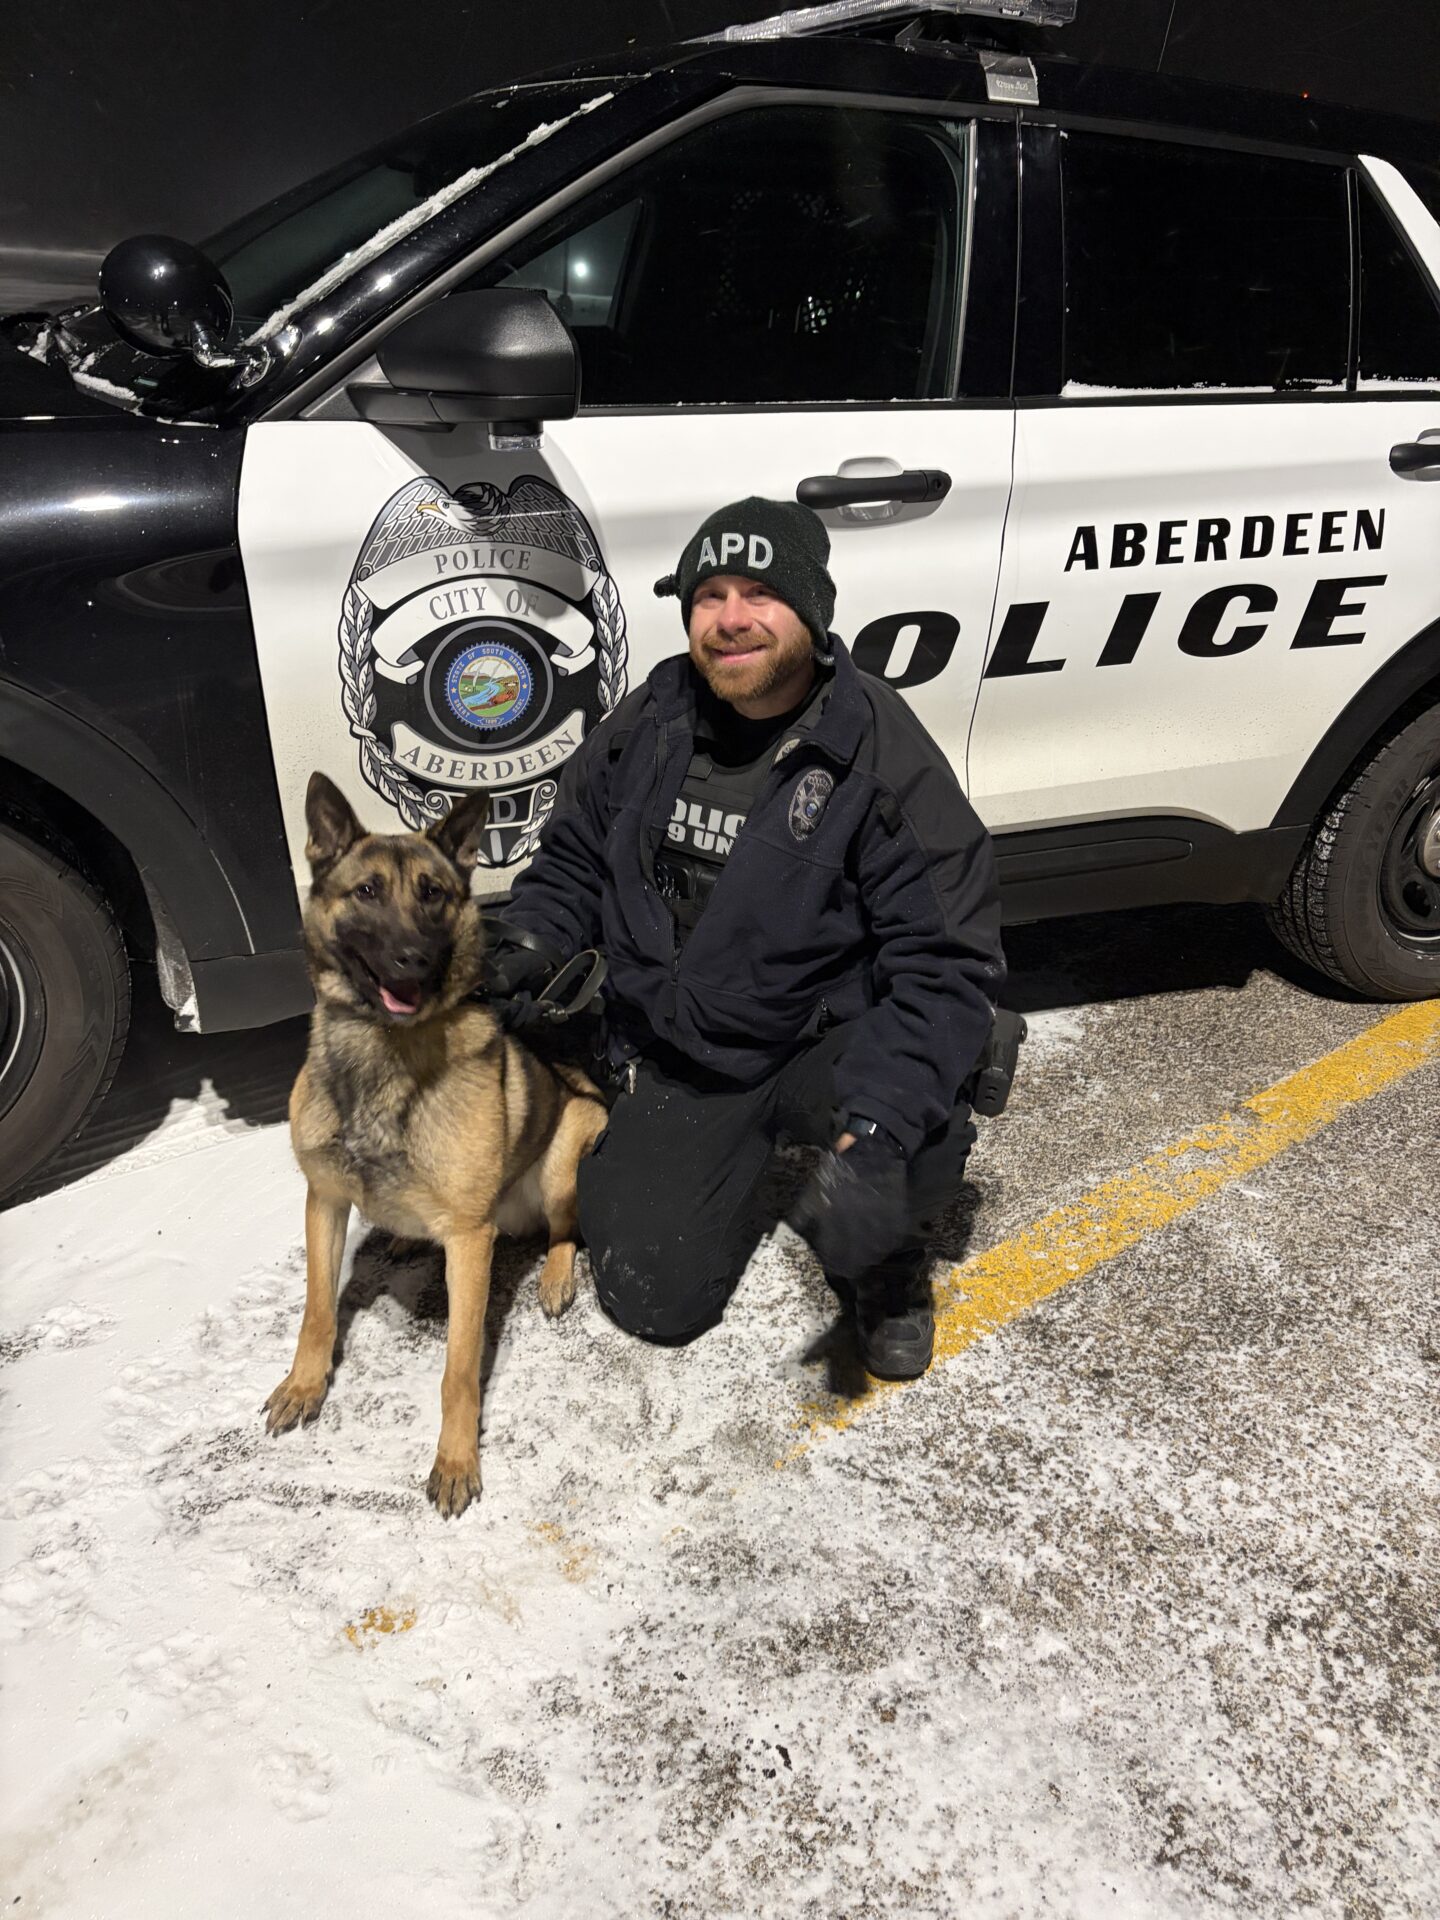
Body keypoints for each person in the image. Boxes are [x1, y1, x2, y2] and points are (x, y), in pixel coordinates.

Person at [488, 497, 1004, 1377]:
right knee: (652, 1299)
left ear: (810, 612)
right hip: (693, 1048)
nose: (729, 620)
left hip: (819, 1038)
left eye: (759, 593)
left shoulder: (877, 750)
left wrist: (878, 1128)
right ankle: (729, 1155)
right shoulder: (652, 719)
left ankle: (887, 1257)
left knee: (951, 1064)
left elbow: (947, 962)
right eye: (708, 596)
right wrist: (528, 942)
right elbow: (574, 854)